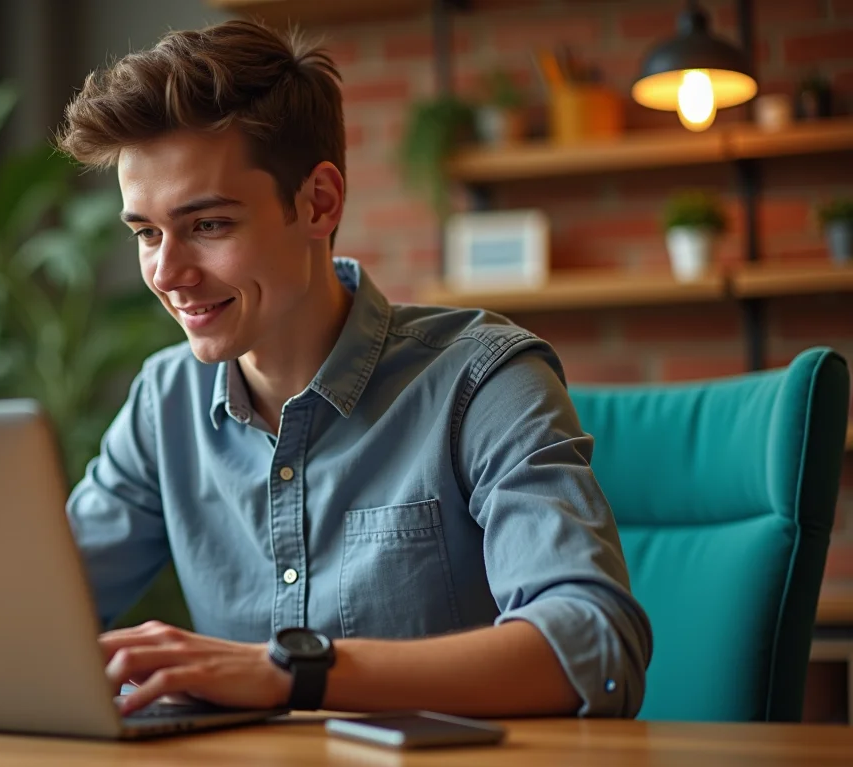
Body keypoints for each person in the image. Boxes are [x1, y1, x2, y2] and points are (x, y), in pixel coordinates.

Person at [56, 19, 652, 719]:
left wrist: (291, 673)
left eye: (208, 225)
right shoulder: (165, 401)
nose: (167, 273)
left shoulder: (481, 379)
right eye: (146, 233)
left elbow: (593, 647)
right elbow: (32, 612)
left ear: (319, 202)